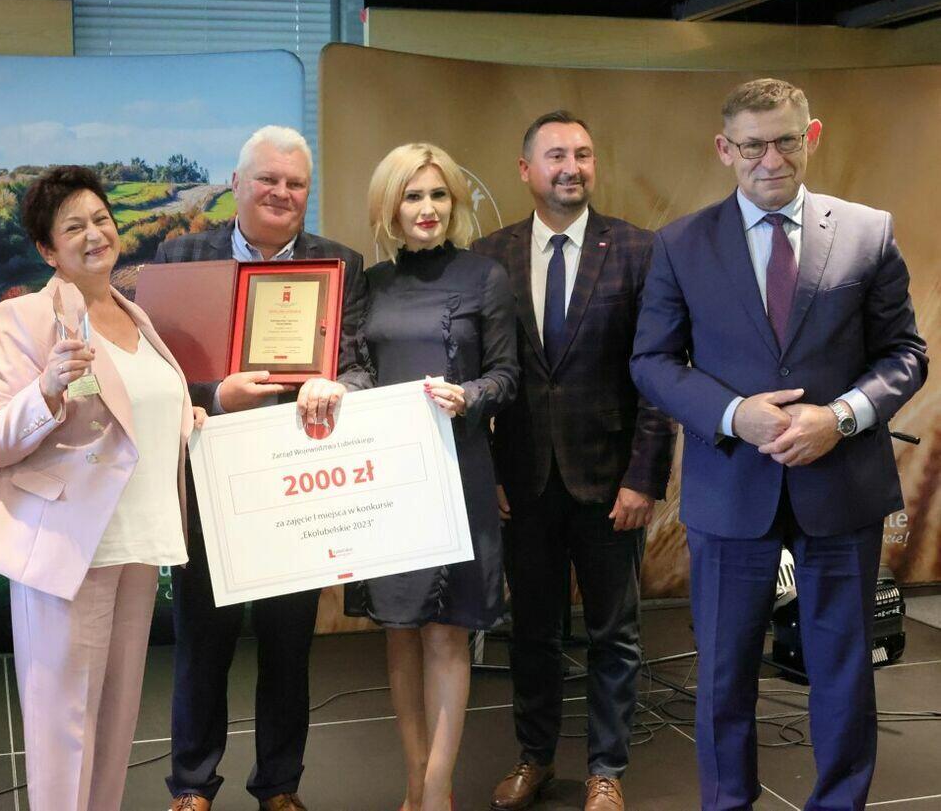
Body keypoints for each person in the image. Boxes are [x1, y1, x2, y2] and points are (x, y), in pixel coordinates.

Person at [631, 78, 927, 810]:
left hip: (842, 485)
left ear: (811, 136)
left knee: (844, 671)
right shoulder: (680, 243)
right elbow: (652, 361)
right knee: (723, 675)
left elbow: (905, 355)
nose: (772, 159)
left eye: (787, 141)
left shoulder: (867, 231)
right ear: (724, 148)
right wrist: (735, 415)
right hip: (732, 485)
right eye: (753, 145)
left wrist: (843, 417)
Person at [0, 166, 206, 811]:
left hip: (139, 541)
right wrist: (45, 389)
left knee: (117, 724)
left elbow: (145, 410)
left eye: (101, 219)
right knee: (64, 730)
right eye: (74, 227)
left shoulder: (134, 313)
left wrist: (190, 418)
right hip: (69, 547)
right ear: (48, 249)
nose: (95, 234)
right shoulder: (21, 318)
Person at [154, 125, 369, 811]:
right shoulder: (182, 257)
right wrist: (216, 395)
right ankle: (193, 785)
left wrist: (338, 385)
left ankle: (279, 784)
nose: (281, 192)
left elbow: (360, 364)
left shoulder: (341, 264)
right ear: (237, 184)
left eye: (295, 183)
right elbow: (157, 377)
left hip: (294, 482)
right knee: (202, 644)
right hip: (208, 481)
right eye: (268, 179)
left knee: (286, 644)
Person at [473, 112, 675, 811]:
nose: (572, 167)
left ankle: (606, 769)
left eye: (583, 154)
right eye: (556, 155)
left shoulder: (639, 249)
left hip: (611, 484)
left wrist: (644, 477)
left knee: (614, 634)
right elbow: (476, 375)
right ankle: (534, 758)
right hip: (522, 481)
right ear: (525, 169)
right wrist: (488, 472)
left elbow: (658, 373)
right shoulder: (489, 255)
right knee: (532, 631)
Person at [347, 142, 519, 811]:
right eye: (413, 196)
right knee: (400, 630)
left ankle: (439, 791)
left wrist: (468, 395)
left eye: (439, 194)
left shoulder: (485, 278)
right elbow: (355, 367)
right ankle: (414, 782)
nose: (427, 208)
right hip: (388, 478)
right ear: (390, 207)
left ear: (455, 203)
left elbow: (506, 376)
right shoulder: (370, 283)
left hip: (457, 472)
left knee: (447, 632)